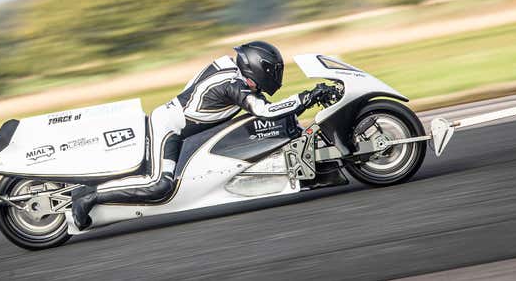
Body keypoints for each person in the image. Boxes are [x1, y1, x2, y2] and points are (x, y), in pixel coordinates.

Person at [71, 41, 337, 230]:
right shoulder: (233, 85)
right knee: (160, 187)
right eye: (273, 70)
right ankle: (89, 196)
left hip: (176, 123)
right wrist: (306, 97)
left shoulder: (231, 71)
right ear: (258, 68)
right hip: (168, 128)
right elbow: (265, 111)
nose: (276, 76)